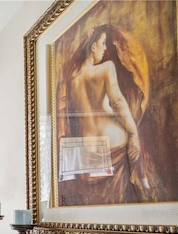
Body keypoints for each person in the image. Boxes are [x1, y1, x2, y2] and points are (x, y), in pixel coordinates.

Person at [57, 24, 156, 206]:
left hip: (88, 149)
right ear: (92, 46)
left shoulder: (72, 79)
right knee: (129, 195)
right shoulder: (106, 68)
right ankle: (145, 187)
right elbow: (117, 101)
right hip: (113, 145)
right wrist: (133, 134)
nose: (105, 48)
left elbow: (83, 113)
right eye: (102, 43)